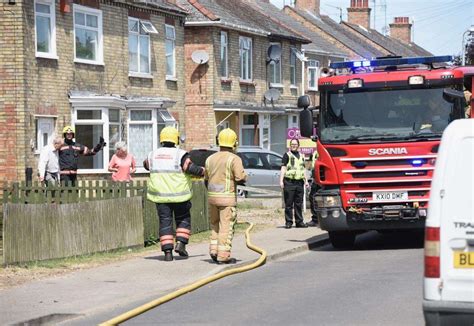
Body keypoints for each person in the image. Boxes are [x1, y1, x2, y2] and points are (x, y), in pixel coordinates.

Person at [144, 126, 204, 262]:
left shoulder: (152, 154)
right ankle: (181, 243)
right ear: (176, 139)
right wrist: (203, 171)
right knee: (183, 219)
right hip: (179, 196)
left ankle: (167, 253)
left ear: (161, 139)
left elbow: (147, 165)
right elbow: (191, 168)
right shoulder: (180, 154)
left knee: (165, 223)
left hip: (160, 197)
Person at [205, 128, 247, 264]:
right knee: (226, 227)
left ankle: (213, 250)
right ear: (234, 143)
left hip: (212, 198)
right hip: (227, 199)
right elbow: (240, 177)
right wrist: (245, 177)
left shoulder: (210, 158)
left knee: (214, 225)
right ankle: (223, 255)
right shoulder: (234, 159)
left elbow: (206, 178)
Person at [280, 138, 309, 229]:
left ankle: (299, 222)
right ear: (290, 145)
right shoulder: (287, 155)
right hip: (289, 182)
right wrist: (281, 180)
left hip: (299, 182)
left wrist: (306, 180)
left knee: (298, 203)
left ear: (298, 145)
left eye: (295, 144)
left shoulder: (302, 156)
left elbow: (303, 169)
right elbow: (283, 168)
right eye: (292, 144)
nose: (294, 145)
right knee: (288, 204)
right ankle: (288, 222)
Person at [307, 149, 321, 227]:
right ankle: (315, 219)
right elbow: (310, 165)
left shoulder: (323, 150)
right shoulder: (315, 152)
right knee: (312, 197)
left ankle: (321, 219)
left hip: (323, 177)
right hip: (315, 178)